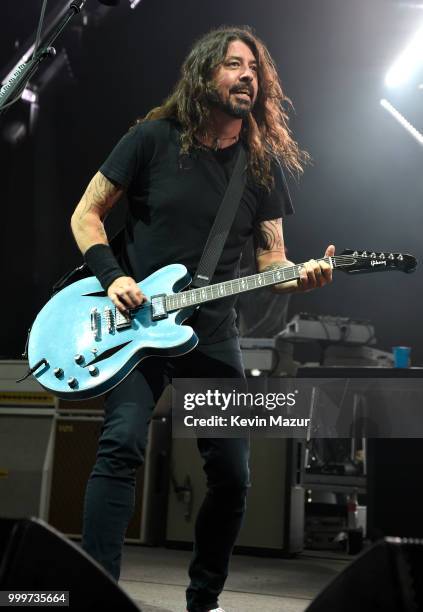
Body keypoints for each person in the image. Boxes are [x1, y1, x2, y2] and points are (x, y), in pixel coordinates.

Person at [70, 26, 334, 612]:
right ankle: (94, 596)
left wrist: (304, 272)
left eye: (255, 68)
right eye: (234, 65)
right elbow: (87, 214)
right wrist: (115, 276)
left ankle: (203, 600)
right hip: (136, 329)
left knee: (234, 476)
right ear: (203, 74)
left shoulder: (260, 166)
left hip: (212, 334)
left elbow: (273, 261)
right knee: (120, 447)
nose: (248, 76)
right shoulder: (151, 138)